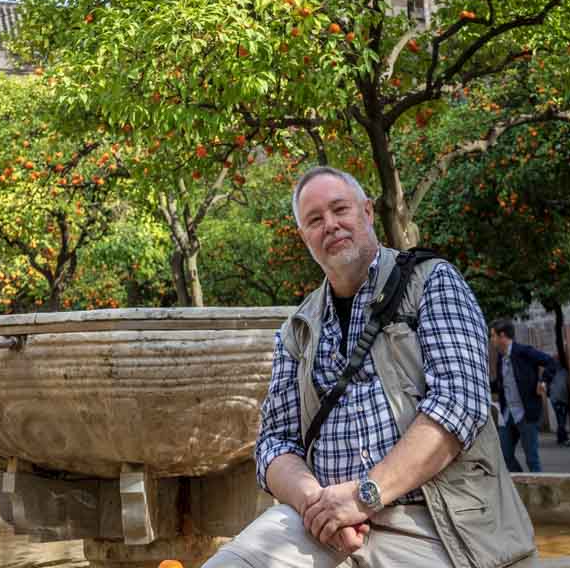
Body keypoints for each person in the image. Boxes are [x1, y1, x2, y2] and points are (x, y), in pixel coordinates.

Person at [202, 166, 536, 568]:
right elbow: (274, 443)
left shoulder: (432, 282)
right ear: (304, 237)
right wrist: (318, 506)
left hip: (434, 521)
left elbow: (459, 404)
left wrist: (364, 496)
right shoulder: (298, 329)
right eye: (314, 220)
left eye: (339, 209)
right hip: (326, 524)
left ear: (367, 212)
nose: (330, 225)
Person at [489, 321, 557, 474]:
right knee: (504, 455)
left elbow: (551, 362)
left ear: (502, 336)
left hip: (525, 413)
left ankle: (540, 492)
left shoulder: (524, 352)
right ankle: (521, 487)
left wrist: (544, 381)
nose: (491, 340)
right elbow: (502, 383)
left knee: (532, 459)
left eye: (493, 336)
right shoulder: (501, 358)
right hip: (508, 415)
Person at [547, 362, 570, 448]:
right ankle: (564, 438)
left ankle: (561, 437)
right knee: (562, 418)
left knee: (560, 418)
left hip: (556, 398)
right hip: (560, 398)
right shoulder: (564, 372)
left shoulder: (550, 371)